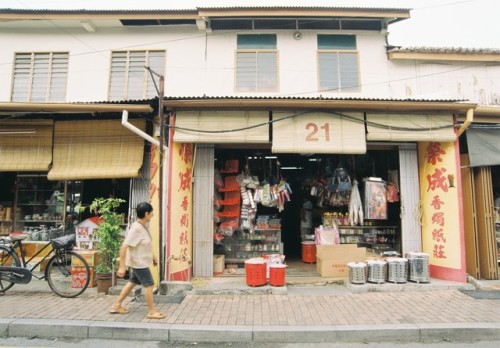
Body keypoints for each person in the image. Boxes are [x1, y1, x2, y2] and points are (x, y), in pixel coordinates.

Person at [109, 202, 165, 319]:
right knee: (149, 285)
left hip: (140, 262)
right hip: (139, 264)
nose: (153, 215)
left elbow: (144, 245)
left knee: (132, 282)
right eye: (151, 213)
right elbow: (124, 246)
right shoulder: (136, 228)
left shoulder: (143, 226)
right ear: (146, 214)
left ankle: (116, 305)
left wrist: (153, 257)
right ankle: (151, 311)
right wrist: (122, 266)